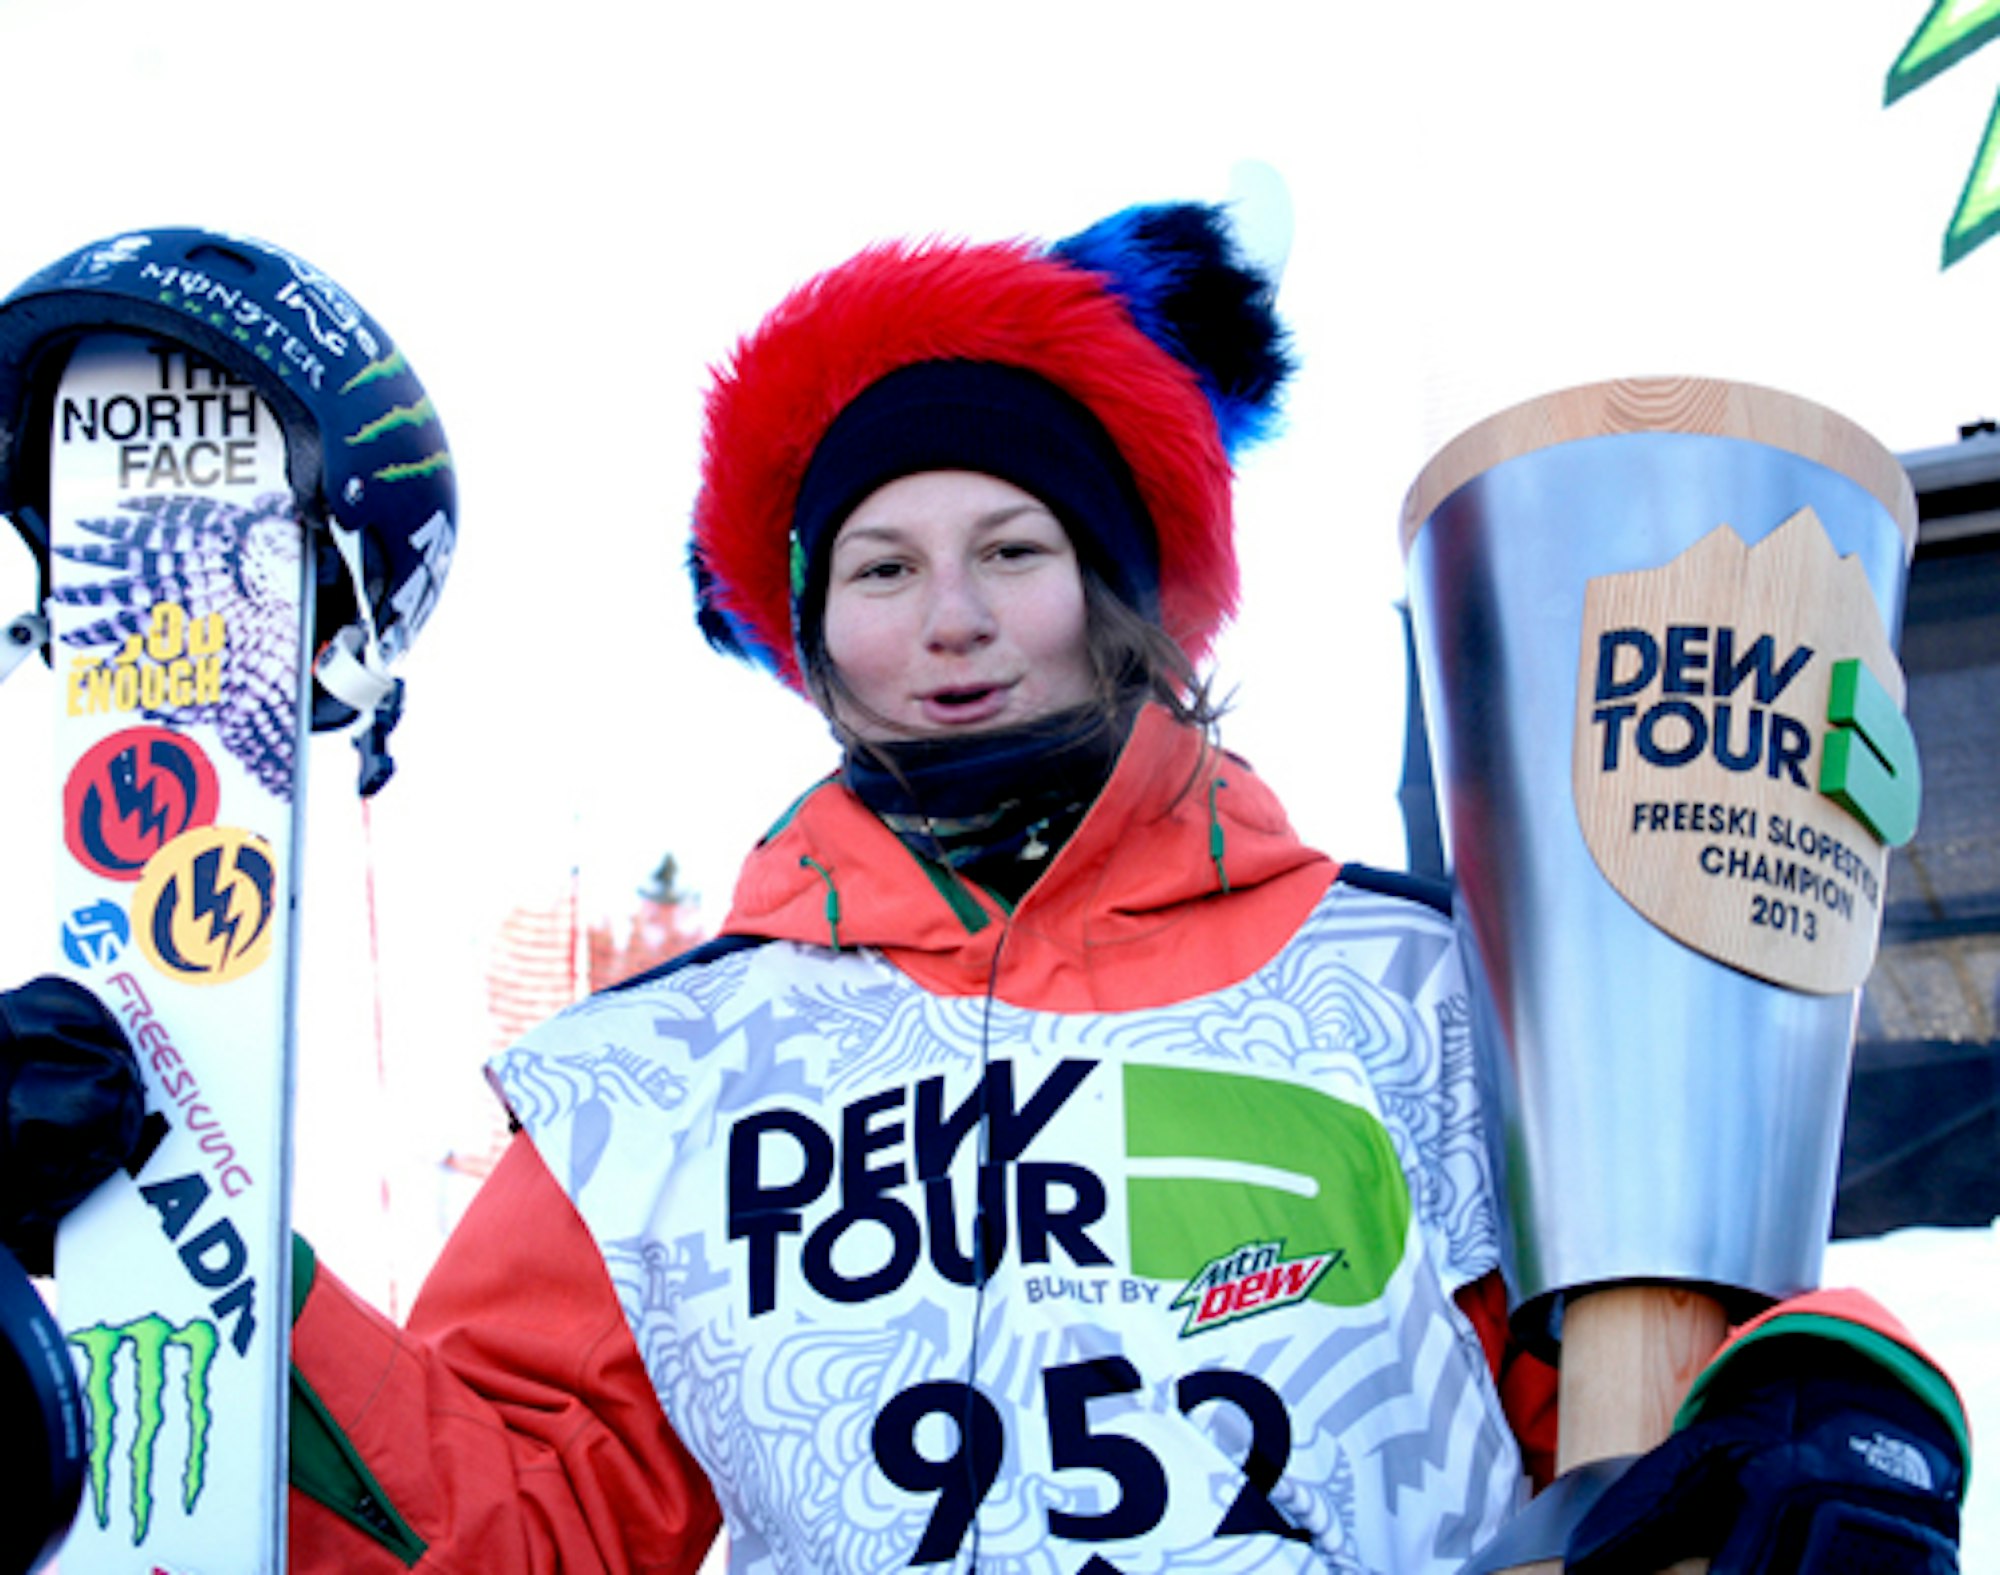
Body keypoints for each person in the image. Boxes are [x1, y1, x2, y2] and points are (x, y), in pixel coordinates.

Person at [2, 203, 1971, 1573]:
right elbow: (511, 1525)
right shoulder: (651, 1081)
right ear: (813, 635)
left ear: (1123, 598)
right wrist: (159, 1236)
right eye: (879, 566)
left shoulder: (1419, 984)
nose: (948, 618)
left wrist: (1836, 1391)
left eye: (1012, 547)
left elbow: (1671, 1360)